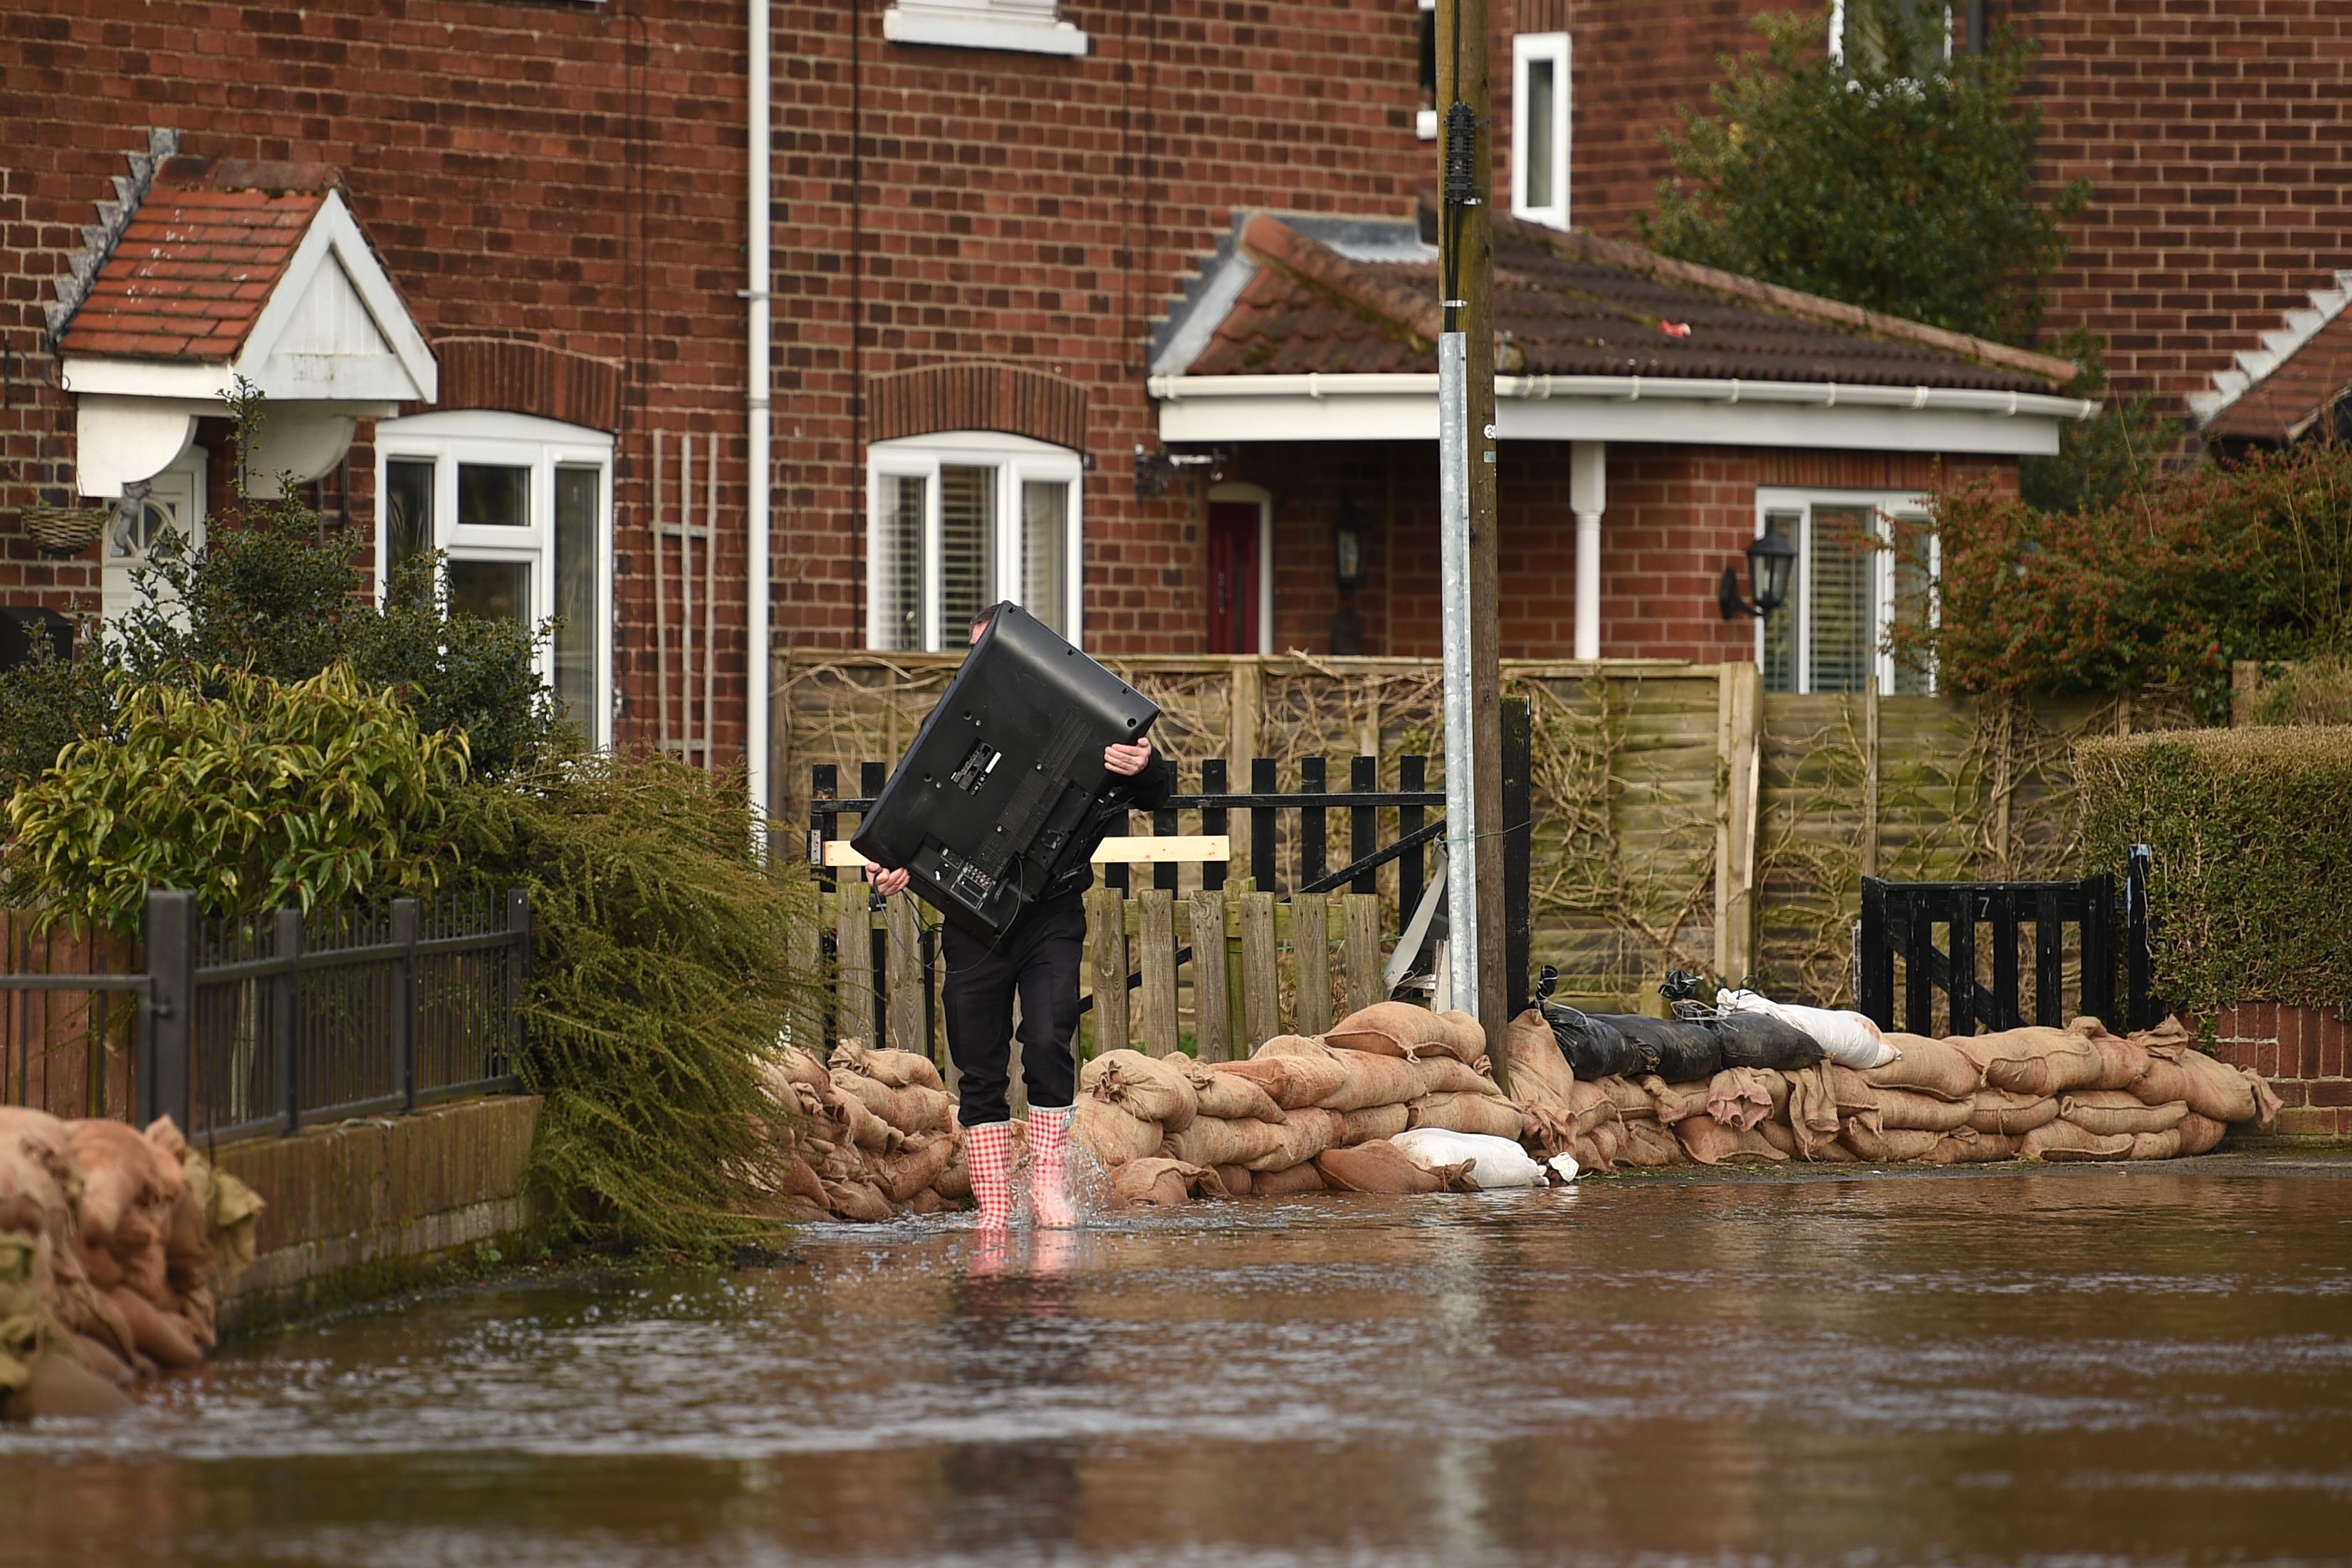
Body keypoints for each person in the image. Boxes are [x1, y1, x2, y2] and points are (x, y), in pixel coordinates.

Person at [865, 603, 1173, 1230]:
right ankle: (995, 1205)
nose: (988, 665)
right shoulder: (952, 726)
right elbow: (913, 809)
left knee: (1047, 1037)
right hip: (972, 915)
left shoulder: (1089, 718)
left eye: (999, 652)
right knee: (977, 1059)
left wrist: (1147, 765)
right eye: (978, 655)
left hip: (1051, 910)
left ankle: (1050, 1190)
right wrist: (890, 864)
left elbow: (1157, 791)